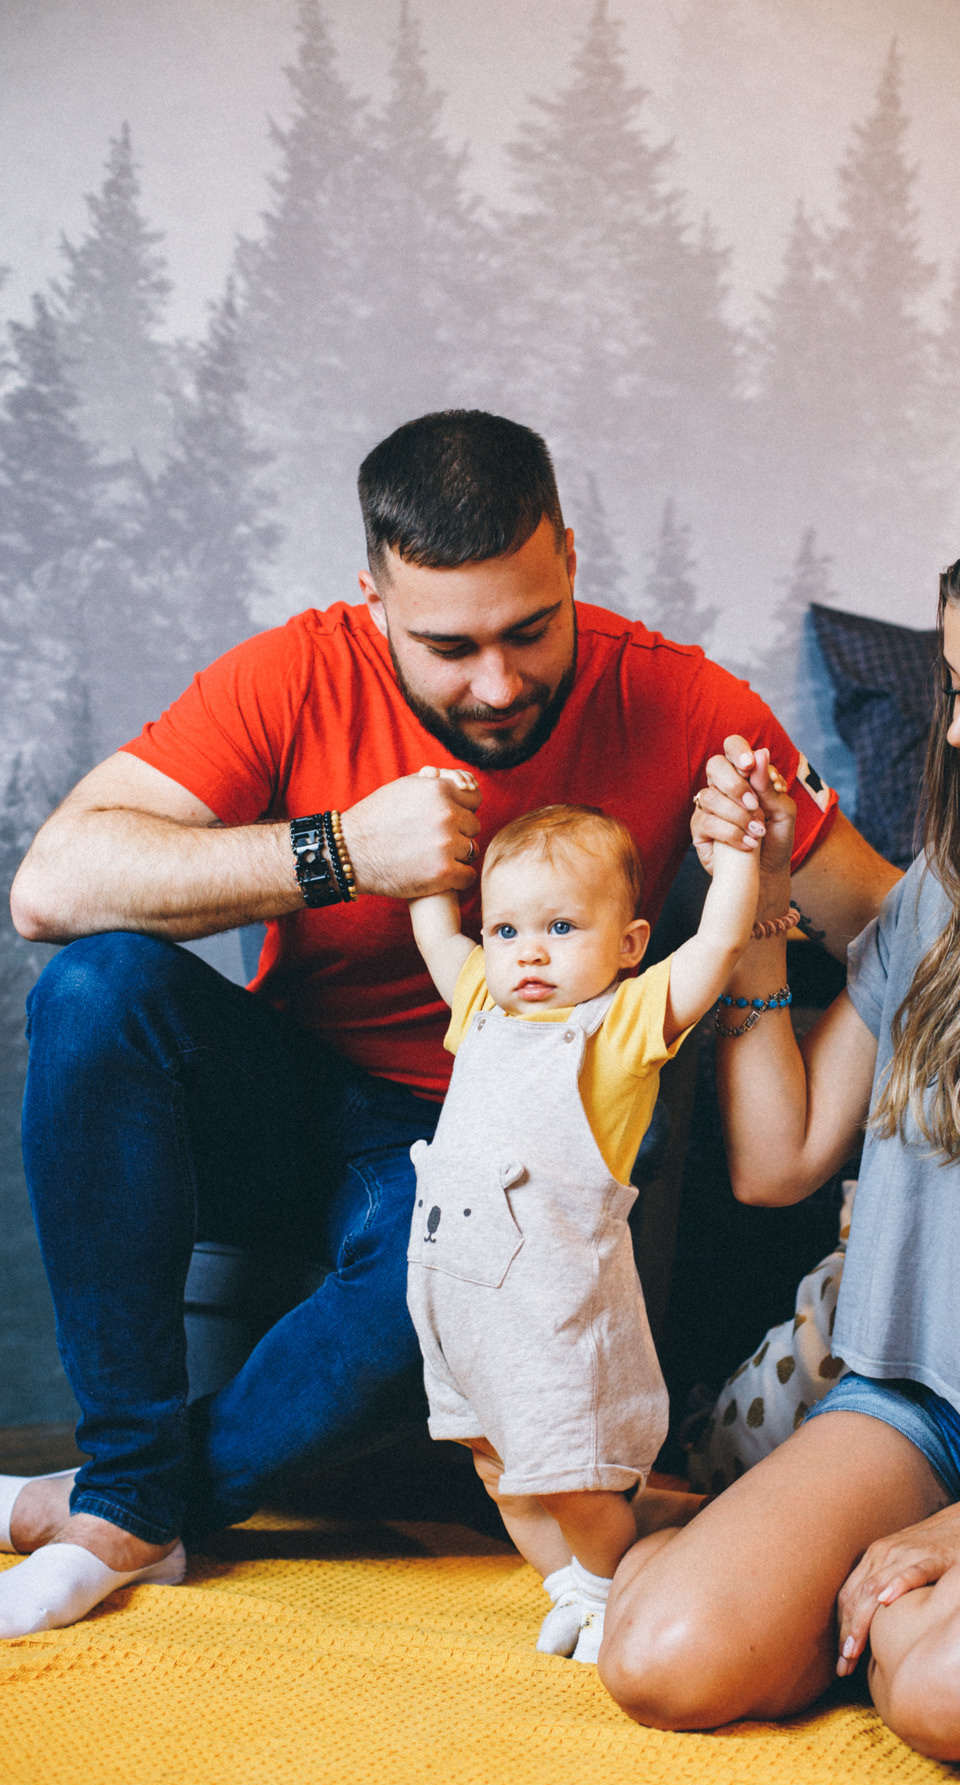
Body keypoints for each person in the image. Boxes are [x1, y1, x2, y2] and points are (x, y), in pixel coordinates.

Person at [3, 409, 897, 1637]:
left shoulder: (685, 703)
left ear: (571, 560)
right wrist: (339, 853)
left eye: (529, 629)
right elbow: (52, 886)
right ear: (372, 599)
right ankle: (129, 1487)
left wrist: (774, 879)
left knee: (451, 1277)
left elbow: (901, 932)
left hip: (493, 1172)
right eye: (449, 646)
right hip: (291, 1103)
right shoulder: (296, 671)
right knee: (97, 987)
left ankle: (121, 1504)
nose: (498, 682)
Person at [599, 497, 960, 1773]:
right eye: (951, 687)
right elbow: (782, 1161)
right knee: (663, 1663)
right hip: (913, 1414)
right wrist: (752, 913)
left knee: (957, 1690)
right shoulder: (951, 894)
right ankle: (790, 1571)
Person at [407, 786, 766, 1661]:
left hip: (555, 1316)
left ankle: (611, 1584)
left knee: (573, 1478)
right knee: (502, 1470)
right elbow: (434, 932)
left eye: (561, 929)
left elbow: (717, 946)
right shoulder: (481, 1007)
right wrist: (426, 857)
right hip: (458, 1310)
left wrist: (741, 862)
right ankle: (566, 1584)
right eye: (507, 931)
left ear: (629, 944)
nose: (529, 953)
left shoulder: (622, 1024)